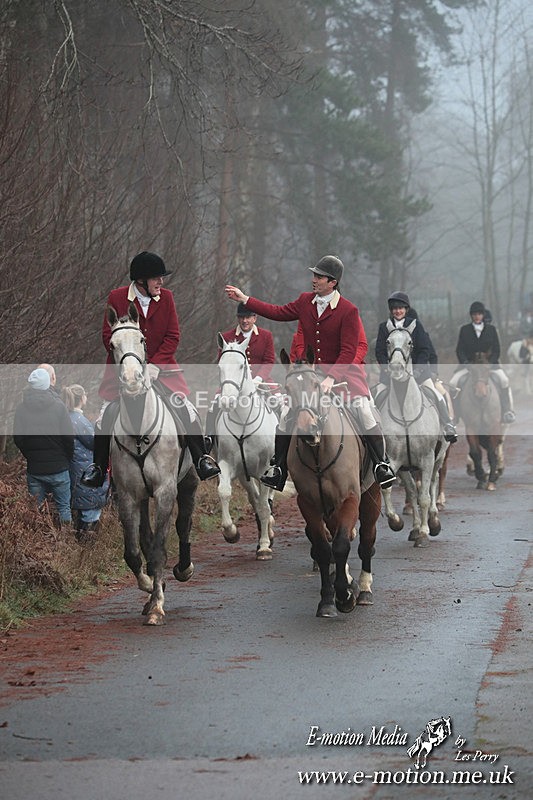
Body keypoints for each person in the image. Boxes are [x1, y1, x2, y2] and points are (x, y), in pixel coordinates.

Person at [225, 255, 396, 491]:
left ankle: (381, 464)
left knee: (364, 412)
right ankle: (279, 468)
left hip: (344, 376)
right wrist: (246, 299)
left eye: (319, 276)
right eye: (314, 275)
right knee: (286, 414)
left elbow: (349, 350)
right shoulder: (305, 301)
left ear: (332, 282)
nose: (313, 280)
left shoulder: (348, 310)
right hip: (309, 376)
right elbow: (277, 312)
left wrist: (331, 378)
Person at [81, 251, 220, 487]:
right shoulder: (116, 297)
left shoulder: (166, 298)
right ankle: (98, 468)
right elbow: (108, 337)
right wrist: (129, 359)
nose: (161, 282)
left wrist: (155, 364)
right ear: (141, 281)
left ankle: (201, 459)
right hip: (124, 372)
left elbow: (173, 336)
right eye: (157, 278)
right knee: (105, 417)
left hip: (162, 370)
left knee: (186, 409)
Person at [374, 292, 457, 443]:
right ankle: (373, 433)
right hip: (390, 374)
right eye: (394, 308)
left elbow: (425, 349)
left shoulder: (416, 325)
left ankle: (448, 425)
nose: (397, 311)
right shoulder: (384, 327)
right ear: (391, 310)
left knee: (436, 394)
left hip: (418, 374)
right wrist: (386, 368)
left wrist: (418, 369)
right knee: (376, 397)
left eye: (400, 308)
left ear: (406, 309)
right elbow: (379, 351)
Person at [205, 302, 277, 445]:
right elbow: (223, 363)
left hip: (261, 381)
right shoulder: (226, 337)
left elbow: (269, 360)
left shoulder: (266, 335)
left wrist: (258, 378)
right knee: (213, 406)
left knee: (280, 403)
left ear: (255, 318)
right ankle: (209, 440)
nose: (245, 321)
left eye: (248, 317)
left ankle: (280, 444)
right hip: (232, 382)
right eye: (241, 317)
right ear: (238, 318)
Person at [13, 368, 74, 527]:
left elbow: (18, 438)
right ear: (48, 384)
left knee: (36, 512)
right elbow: (69, 438)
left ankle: (41, 542)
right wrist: (66, 457)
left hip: (35, 470)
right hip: (59, 468)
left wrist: (31, 456)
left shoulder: (21, 409)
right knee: (64, 508)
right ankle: (65, 543)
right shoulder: (59, 407)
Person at [449, 300, 516, 424]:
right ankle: (456, 415)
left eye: (479, 314)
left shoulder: (491, 329)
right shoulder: (464, 330)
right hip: (469, 365)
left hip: (489, 365)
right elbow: (460, 350)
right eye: (474, 314)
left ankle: (507, 411)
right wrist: (466, 363)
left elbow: (497, 349)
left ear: (483, 315)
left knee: (504, 380)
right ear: (471, 316)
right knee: (453, 383)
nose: (477, 316)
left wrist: (490, 363)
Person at [62, 384, 109, 539]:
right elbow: (94, 443)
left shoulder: (66, 418)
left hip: (74, 468)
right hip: (85, 469)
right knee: (91, 511)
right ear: (82, 398)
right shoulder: (79, 421)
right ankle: (87, 548)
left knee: (81, 511)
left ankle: (81, 547)